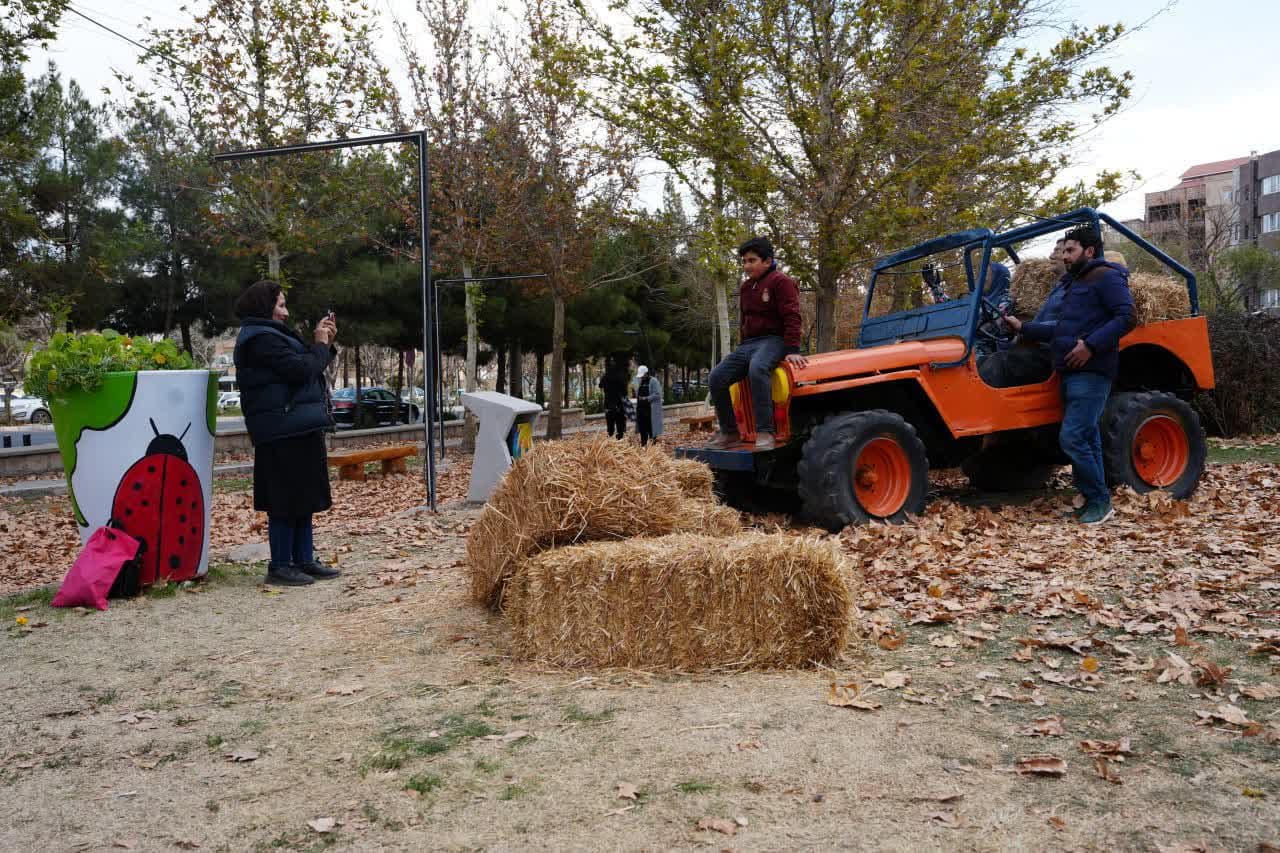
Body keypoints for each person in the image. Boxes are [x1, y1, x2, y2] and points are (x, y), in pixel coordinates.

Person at [1003, 226, 1135, 525]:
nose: (1064, 255)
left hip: (1092, 370)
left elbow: (1127, 317)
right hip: (1069, 371)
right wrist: (1023, 327)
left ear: (1089, 251)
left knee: (1073, 436)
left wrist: (1091, 345)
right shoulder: (1075, 283)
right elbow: (1061, 329)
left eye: (1070, 250)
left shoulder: (1106, 276)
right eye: (1063, 250)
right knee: (1086, 436)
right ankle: (1092, 498)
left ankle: (1100, 501)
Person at [233, 281, 341, 586]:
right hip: (280, 431)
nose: (286, 312)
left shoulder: (272, 335)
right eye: (280, 305)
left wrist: (325, 344)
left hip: (296, 426)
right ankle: (280, 565)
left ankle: (303, 559)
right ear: (263, 307)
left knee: (303, 497)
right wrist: (320, 345)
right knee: (284, 500)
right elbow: (301, 370)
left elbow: (306, 366)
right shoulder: (260, 339)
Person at [706, 237, 806, 451]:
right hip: (749, 344)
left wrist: (792, 349)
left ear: (768, 261)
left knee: (758, 368)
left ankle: (765, 431)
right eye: (744, 261)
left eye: (752, 260)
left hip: (775, 340)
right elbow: (744, 321)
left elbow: (792, 316)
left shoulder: (781, 282)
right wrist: (741, 348)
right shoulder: (746, 287)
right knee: (716, 376)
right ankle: (730, 432)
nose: (747, 266)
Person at [598, 354, 629, 440]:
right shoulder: (621, 376)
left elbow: (600, 385)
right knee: (620, 427)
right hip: (619, 405)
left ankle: (611, 442)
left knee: (610, 428)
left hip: (609, 405)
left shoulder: (606, 376)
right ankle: (620, 441)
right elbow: (624, 391)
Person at [634, 365, 663, 447]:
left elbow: (658, 394)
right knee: (642, 429)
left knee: (651, 429)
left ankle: (653, 447)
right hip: (641, 410)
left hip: (650, 411)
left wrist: (646, 398)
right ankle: (643, 446)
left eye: (642, 376)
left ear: (646, 374)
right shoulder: (641, 382)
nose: (641, 378)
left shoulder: (654, 381)